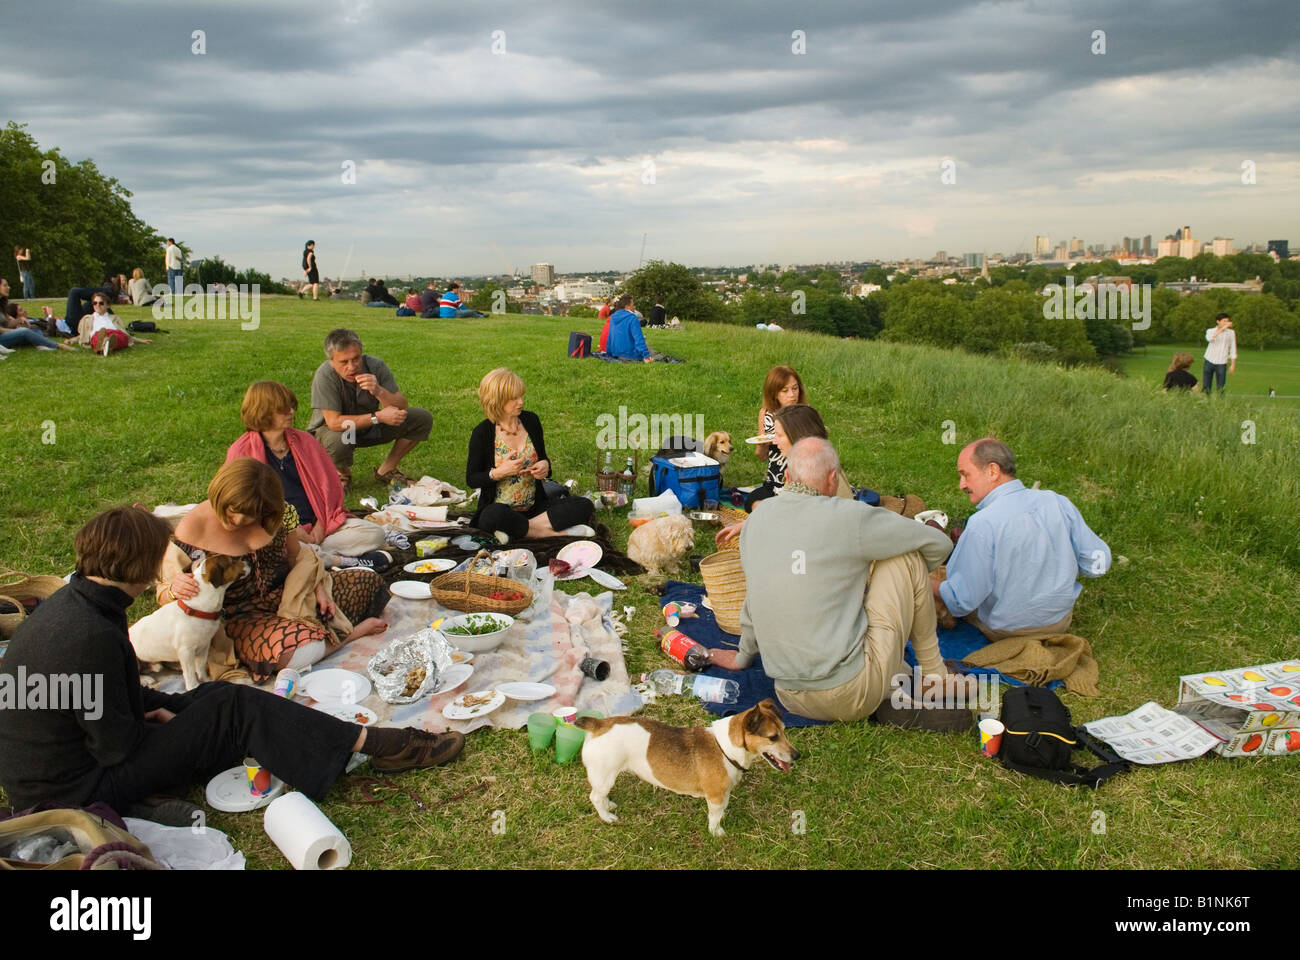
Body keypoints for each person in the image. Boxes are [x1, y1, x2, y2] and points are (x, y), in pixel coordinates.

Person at [0, 506, 465, 818]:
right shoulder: (89, 634)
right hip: (73, 791)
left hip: (57, 769)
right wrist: (168, 721)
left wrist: (166, 708)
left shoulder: (76, 607)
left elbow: (103, 697)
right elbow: (117, 745)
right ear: (140, 569)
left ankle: (346, 743)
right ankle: (381, 745)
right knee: (235, 710)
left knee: (222, 695)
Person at [709, 438, 969, 726]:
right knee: (906, 555)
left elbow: (754, 601)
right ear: (833, 479)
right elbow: (938, 544)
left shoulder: (755, 522)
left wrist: (742, 657)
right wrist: (904, 584)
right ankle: (934, 677)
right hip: (850, 690)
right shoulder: (851, 516)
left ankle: (896, 683)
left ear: (786, 477)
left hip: (788, 693)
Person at [165, 459, 389, 683]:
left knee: (368, 581)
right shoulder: (190, 530)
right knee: (291, 652)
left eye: (250, 514)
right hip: (240, 617)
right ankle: (350, 635)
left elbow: (297, 556)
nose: (239, 520)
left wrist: (319, 589)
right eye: (233, 511)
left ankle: (311, 632)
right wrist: (176, 586)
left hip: (290, 596)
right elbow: (170, 591)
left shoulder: (279, 514)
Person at [934, 438, 1110, 642]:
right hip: (1059, 622)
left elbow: (960, 601)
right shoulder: (1057, 501)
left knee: (930, 583)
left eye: (965, 475)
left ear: (992, 471)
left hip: (1007, 630)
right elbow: (1098, 564)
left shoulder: (982, 524)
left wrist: (924, 581)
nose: (961, 485)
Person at [226, 381, 389, 566]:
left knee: (375, 533)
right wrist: (291, 531)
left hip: (320, 528)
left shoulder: (305, 441)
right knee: (268, 547)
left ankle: (314, 556)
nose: (291, 412)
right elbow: (241, 505)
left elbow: (331, 490)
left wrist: (320, 526)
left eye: (291, 407)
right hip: (276, 531)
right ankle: (341, 560)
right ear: (263, 411)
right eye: (283, 409)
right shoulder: (241, 452)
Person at [467, 368, 596, 544]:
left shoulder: (531, 421)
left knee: (584, 505)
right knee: (491, 516)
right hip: (501, 508)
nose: (521, 402)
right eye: (514, 398)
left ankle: (523, 530)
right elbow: (472, 479)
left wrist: (545, 466)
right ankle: (552, 533)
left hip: (535, 507)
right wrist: (499, 472)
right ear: (496, 401)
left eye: (521, 396)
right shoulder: (482, 433)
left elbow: (543, 459)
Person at [306, 328, 433, 491]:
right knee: (339, 439)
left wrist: (379, 391)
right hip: (340, 432)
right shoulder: (325, 375)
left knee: (420, 418)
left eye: (356, 359)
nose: (352, 367)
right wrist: (378, 417)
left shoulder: (375, 366)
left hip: (369, 427)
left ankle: (386, 470)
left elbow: (402, 407)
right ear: (331, 361)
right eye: (344, 362)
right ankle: (342, 474)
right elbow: (334, 422)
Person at [76, 292, 151, 355]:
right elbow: (83, 334)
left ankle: (104, 345)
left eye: (101, 303)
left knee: (121, 337)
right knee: (97, 337)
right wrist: (72, 340)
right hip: (98, 334)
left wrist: (139, 340)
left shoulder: (114, 318)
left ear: (107, 305)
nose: (97, 305)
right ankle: (105, 344)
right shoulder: (87, 318)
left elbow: (124, 332)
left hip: (114, 334)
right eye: (95, 303)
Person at [2, 303, 77, 351]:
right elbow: (49, 332)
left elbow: (44, 325)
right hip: (69, 328)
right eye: (21, 310)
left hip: (65, 322)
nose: (24, 311)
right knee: (74, 293)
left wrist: (47, 316)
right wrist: (50, 316)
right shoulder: (27, 325)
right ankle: (58, 346)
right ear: (16, 316)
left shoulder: (29, 319)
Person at [605, 294, 657, 362]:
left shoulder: (612, 317)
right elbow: (638, 339)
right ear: (627, 307)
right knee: (656, 354)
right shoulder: (632, 318)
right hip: (630, 355)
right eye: (633, 305)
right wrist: (646, 356)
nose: (634, 307)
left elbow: (610, 338)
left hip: (616, 353)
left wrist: (609, 354)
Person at [1203, 312, 1236, 397]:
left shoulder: (1231, 333)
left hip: (1222, 362)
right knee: (1206, 386)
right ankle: (1204, 401)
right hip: (1209, 360)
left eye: (1227, 321)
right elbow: (1210, 339)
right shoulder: (1210, 331)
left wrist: (1233, 364)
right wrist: (1221, 329)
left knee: (1221, 387)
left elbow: (1233, 348)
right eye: (1224, 321)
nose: (1226, 323)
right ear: (1218, 321)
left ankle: (1220, 404)